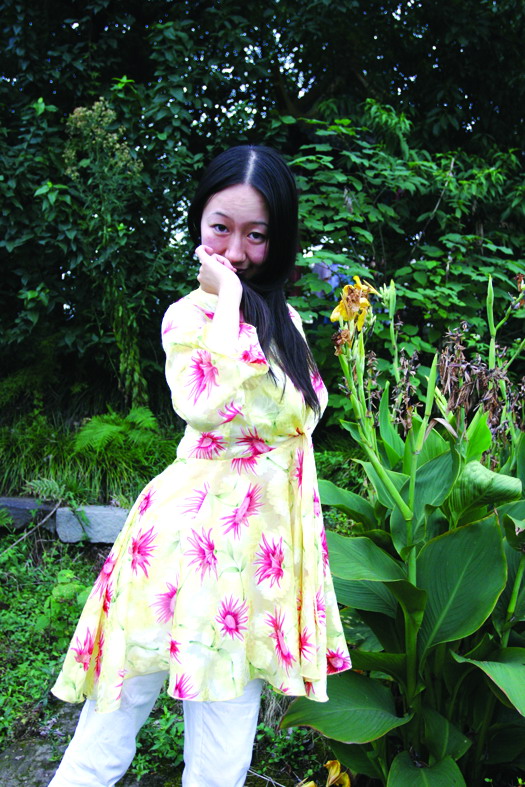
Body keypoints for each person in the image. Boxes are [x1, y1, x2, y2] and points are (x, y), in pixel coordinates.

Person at [48, 145, 351, 787]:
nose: (234, 251)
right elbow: (203, 403)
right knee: (108, 732)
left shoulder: (287, 320)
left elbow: (302, 417)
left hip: (252, 567)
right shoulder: (187, 316)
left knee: (221, 764)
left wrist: (244, 306)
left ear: (279, 238)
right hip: (178, 547)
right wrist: (231, 301)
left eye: (255, 235)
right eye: (221, 228)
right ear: (198, 225)